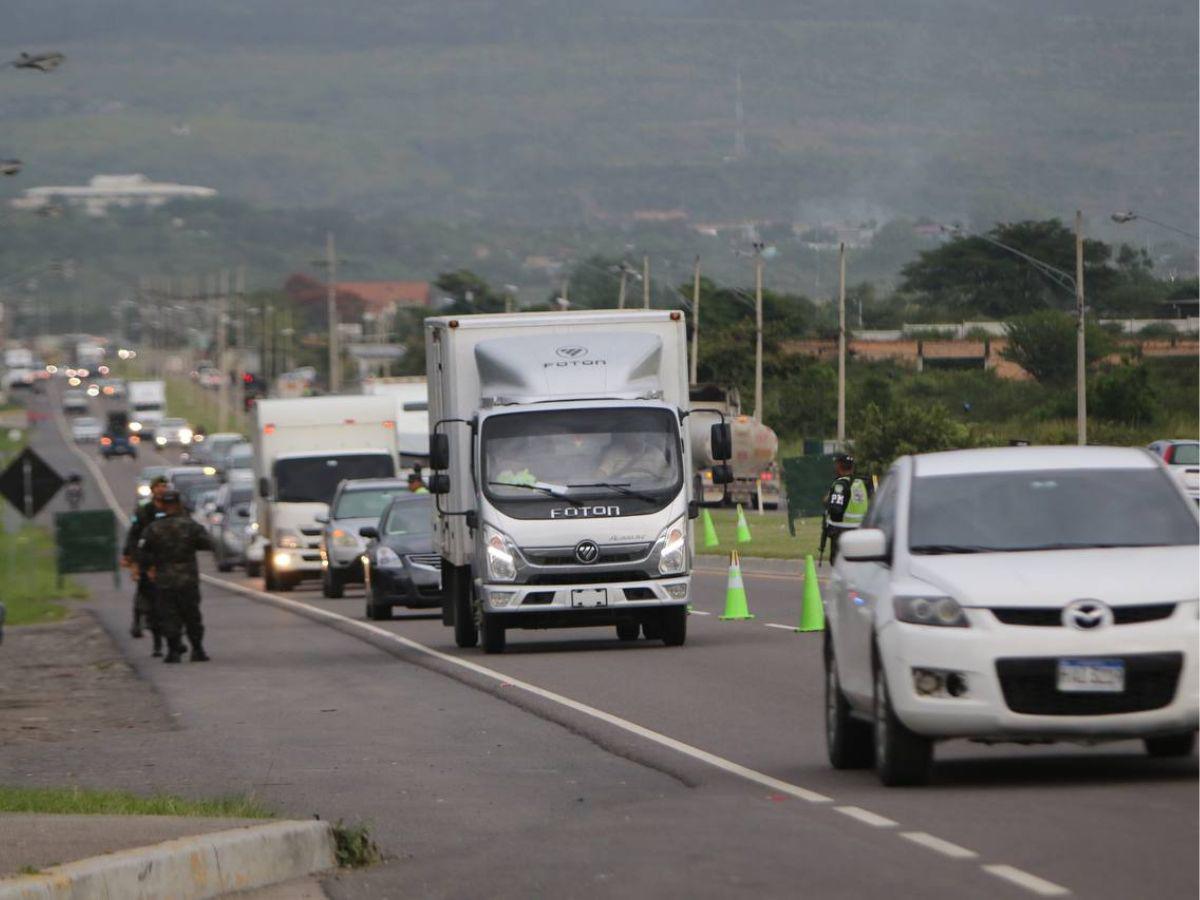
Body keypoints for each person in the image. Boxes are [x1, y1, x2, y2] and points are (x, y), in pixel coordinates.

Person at [137, 490, 214, 664]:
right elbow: (207, 543)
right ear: (179, 504)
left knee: (169, 615)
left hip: (165, 580)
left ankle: (173, 651)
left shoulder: (153, 528)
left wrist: (149, 568)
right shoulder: (190, 525)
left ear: (162, 505)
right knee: (191, 614)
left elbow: (142, 553)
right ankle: (197, 649)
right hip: (188, 578)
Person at [122, 476, 169, 653]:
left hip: (167, 561)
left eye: (164, 486)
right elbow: (134, 534)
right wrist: (129, 556)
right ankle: (138, 621)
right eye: (159, 486)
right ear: (153, 489)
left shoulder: (172, 508)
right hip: (147, 558)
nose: (162, 489)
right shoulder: (144, 511)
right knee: (145, 592)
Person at [823, 454, 872, 564]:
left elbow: (835, 509)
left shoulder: (840, 484)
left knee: (839, 564)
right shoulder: (860, 482)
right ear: (852, 467)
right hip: (859, 530)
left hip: (842, 530)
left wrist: (827, 501)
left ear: (839, 466)